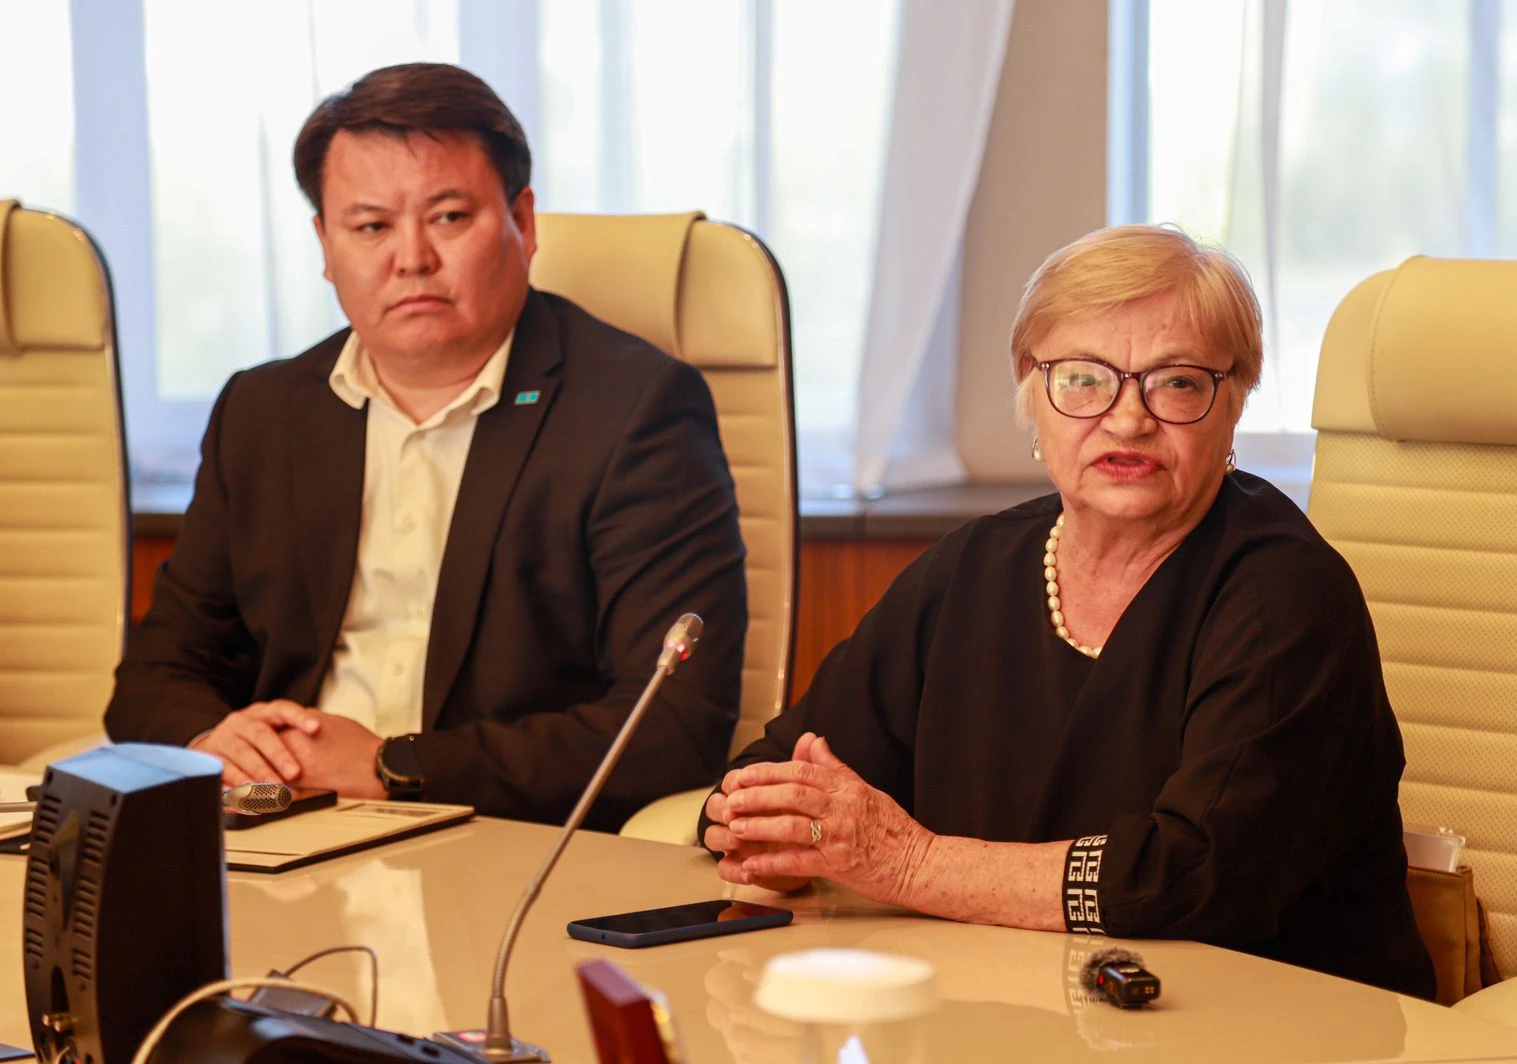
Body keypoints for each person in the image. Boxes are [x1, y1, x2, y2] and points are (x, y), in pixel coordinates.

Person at [702, 224, 1434, 998]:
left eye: (1177, 382)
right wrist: (768, 830)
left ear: (1234, 403)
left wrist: (906, 862)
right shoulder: (970, 568)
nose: (1128, 419)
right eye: (1084, 379)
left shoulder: (1285, 598)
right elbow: (774, 771)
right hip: (1006, 1013)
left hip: (1270, 1024)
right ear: (1032, 393)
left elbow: (1194, 880)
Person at [105, 63, 747, 830]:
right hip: (279, 827)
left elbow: (673, 725)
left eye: (448, 217)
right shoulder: (264, 411)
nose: (410, 258)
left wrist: (392, 766)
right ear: (325, 244)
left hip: (500, 838)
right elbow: (156, 673)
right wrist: (216, 742)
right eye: (370, 227)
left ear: (523, 222)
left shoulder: (635, 410)